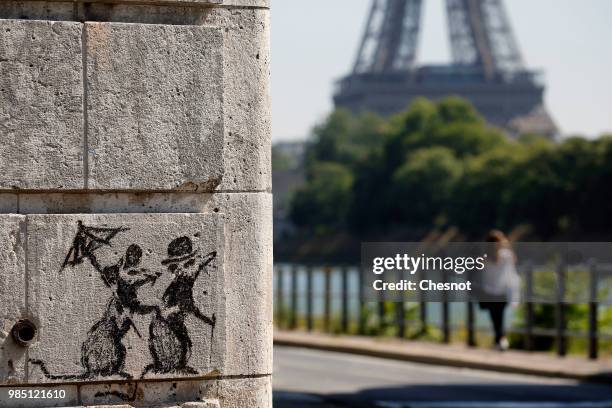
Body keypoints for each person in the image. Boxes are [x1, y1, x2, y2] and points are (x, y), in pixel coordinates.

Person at [479, 230, 520, 351]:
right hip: (503, 291)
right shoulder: (507, 255)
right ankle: (501, 340)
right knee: (500, 317)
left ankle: (499, 340)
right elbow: (512, 273)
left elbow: (481, 274)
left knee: (495, 318)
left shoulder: (485, 256)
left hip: (490, 292)